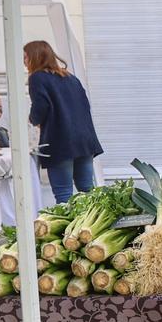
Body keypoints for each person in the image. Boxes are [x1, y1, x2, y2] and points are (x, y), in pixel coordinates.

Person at [24, 40, 104, 204]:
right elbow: (85, 105)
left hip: (60, 141)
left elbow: (41, 106)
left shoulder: (37, 78)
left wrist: (32, 119)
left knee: (63, 195)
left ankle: (68, 229)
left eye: (25, 57)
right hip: (84, 140)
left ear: (35, 57)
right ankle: (91, 227)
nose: (24, 62)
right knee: (88, 191)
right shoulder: (70, 77)